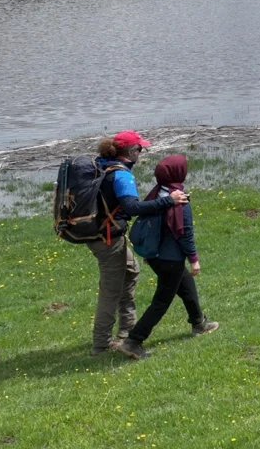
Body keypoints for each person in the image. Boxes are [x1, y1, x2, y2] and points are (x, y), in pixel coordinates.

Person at [89, 131, 188, 356]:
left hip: (103, 234)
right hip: (108, 239)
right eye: (140, 149)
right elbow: (132, 208)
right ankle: (101, 344)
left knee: (131, 271)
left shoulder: (103, 164)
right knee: (111, 290)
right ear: (132, 151)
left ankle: (127, 330)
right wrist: (168, 201)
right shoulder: (122, 175)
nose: (141, 153)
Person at [119, 155, 218, 360]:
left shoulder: (156, 194)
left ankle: (198, 323)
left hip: (156, 257)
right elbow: (184, 233)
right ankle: (133, 341)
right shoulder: (179, 200)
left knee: (186, 285)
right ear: (179, 174)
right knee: (162, 301)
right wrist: (194, 260)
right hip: (170, 260)